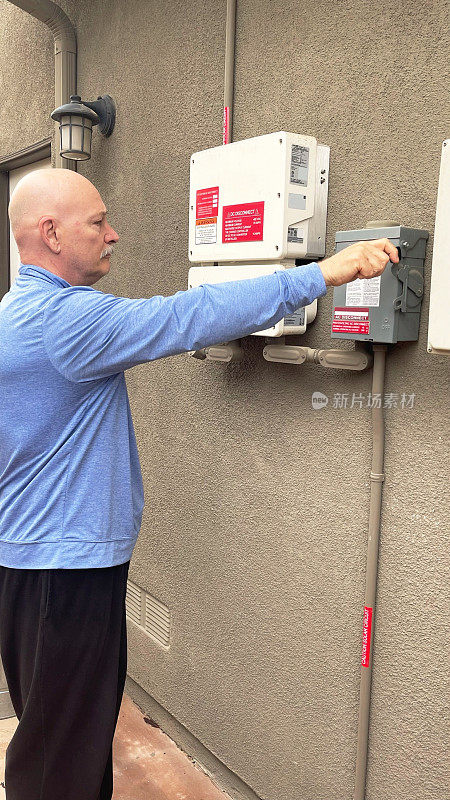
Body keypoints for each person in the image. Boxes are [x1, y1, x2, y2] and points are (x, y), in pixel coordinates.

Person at [0, 168, 399, 800]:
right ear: (50, 233)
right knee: (58, 760)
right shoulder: (63, 323)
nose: (114, 234)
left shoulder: (18, 310)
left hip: (44, 563)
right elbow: (189, 315)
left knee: (63, 734)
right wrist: (324, 272)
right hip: (62, 572)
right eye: (98, 222)